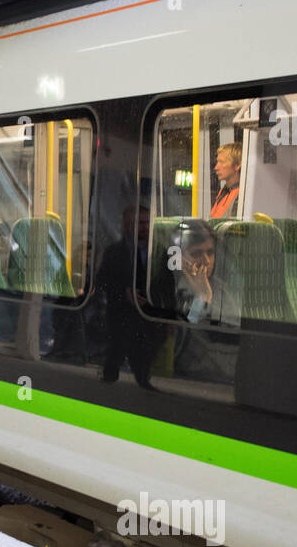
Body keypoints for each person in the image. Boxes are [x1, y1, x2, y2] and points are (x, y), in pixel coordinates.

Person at [94, 204, 164, 388]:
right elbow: (102, 281)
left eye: (147, 223)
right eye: (139, 223)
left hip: (149, 316)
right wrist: (124, 292)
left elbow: (167, 284)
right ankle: (110, 382)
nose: (145, 227)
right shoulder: (114, 252)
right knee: (115, 356)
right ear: (127, 225)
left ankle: (143, 380)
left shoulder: (159, 252)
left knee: (145, 356)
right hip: (121, 314)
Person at [172, 218, 242, 383]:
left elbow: (232, 337)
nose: (206, 261)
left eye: (210, 252)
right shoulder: (171, 290)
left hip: (225, 369)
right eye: (196, 253)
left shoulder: (224, 290)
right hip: (192, 374)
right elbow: (184, 344)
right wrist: (202, 298)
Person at [210, 142, 242, 218]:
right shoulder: (223, 192)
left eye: (222, 162)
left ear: (237, 165)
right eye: (217, 162)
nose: (216, 168)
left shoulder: (242, 197)